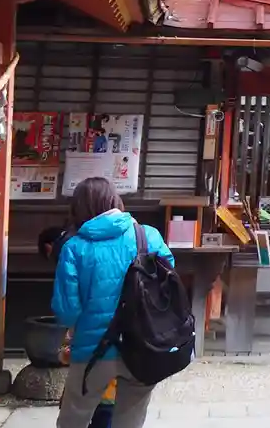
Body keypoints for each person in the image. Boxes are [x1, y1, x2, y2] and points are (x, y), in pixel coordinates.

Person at [51, 177, 174, 428]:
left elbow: (67, 312)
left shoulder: (74, 248)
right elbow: (168, 283)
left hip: (92, 352)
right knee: (129, 421)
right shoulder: (148, 236)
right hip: (142, 347)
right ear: (115, 200)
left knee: (73, 420)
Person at [40, 227, 115, 428]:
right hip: (121, 350)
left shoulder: (72, 250)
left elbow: (68, 311)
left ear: (49, 248)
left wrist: (67, 350)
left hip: (92, 357)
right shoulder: (139, 238)